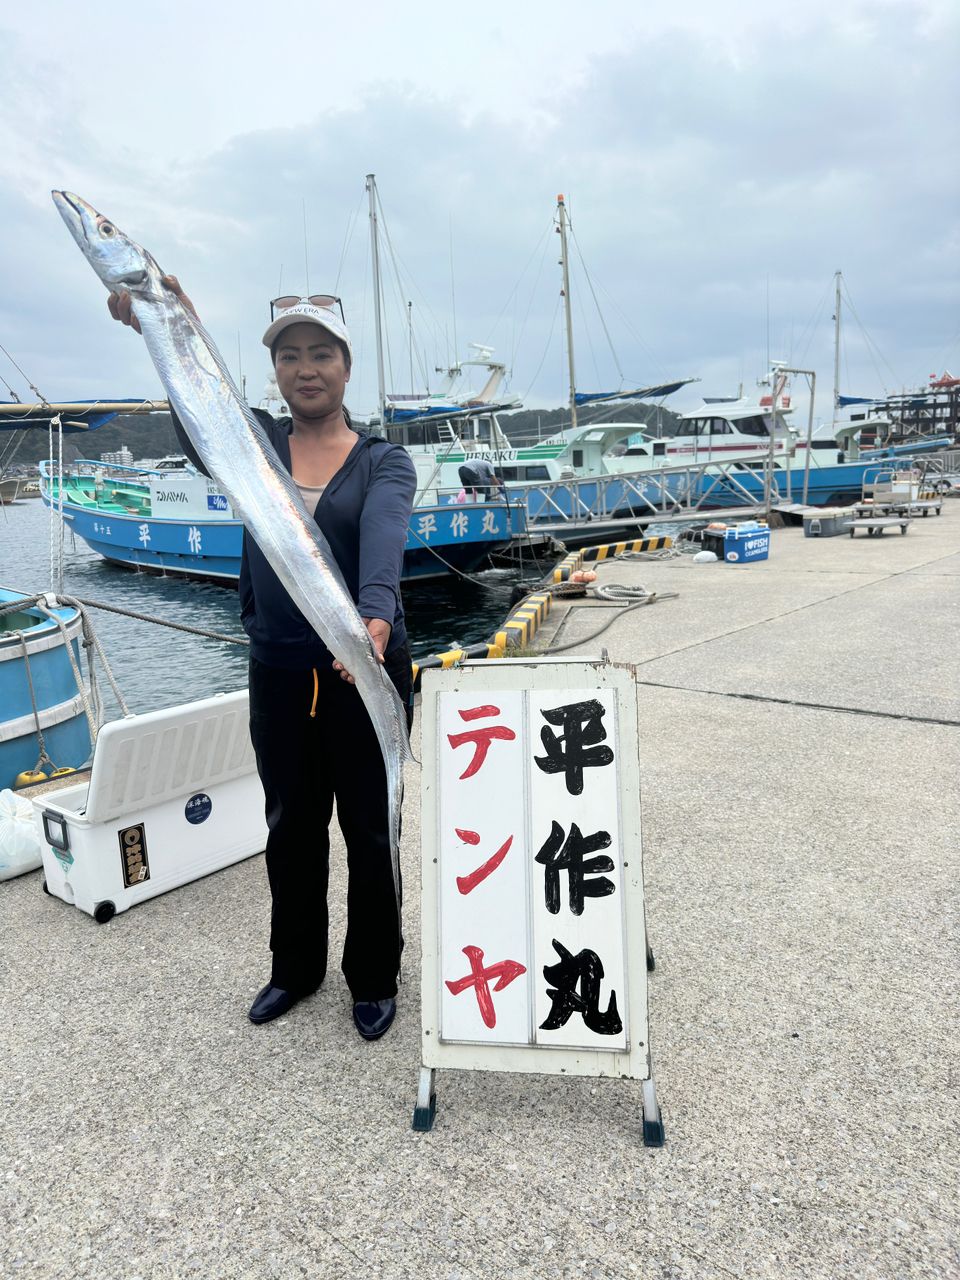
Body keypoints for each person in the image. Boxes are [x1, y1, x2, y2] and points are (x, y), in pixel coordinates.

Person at [108, 281, 417, 1041]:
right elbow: (195, 412)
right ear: (273, 370)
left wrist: (373, 625)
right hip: (280, 673)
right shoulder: (251, 446)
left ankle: (374, 975)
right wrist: (166, 328)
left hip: (364, 671)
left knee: (373, 831)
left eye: (321, 354)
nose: (305, 369)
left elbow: (382, 547)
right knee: (290, 824)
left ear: (347, 366)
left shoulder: (385, 462)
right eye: (289, 356)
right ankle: (295, 968)